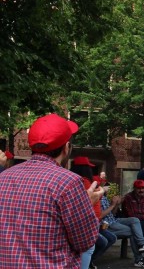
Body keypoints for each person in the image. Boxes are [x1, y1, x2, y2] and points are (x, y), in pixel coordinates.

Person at [0, 114, 101, 268]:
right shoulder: (69, 182)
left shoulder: (3, 177)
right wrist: (86, 204)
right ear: (66, 148)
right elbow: (85, 242)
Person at [70, 156, 109, 269]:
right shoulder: (85, 181)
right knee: (88, 248)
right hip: (88, 221)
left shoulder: (75, 180)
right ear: (85, 168)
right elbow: (88, 200)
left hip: (88, 220)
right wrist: (101, 191)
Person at [100, 192, 144, 268]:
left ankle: (143, 244)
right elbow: (100, 215)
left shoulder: (104, 197)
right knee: (133, 231)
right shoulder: (96, 198)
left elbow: (112, 214)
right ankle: (139, 259)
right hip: (107, 224)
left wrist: (117, 204)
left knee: (135, 220)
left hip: (114, 220)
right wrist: (113, 204)